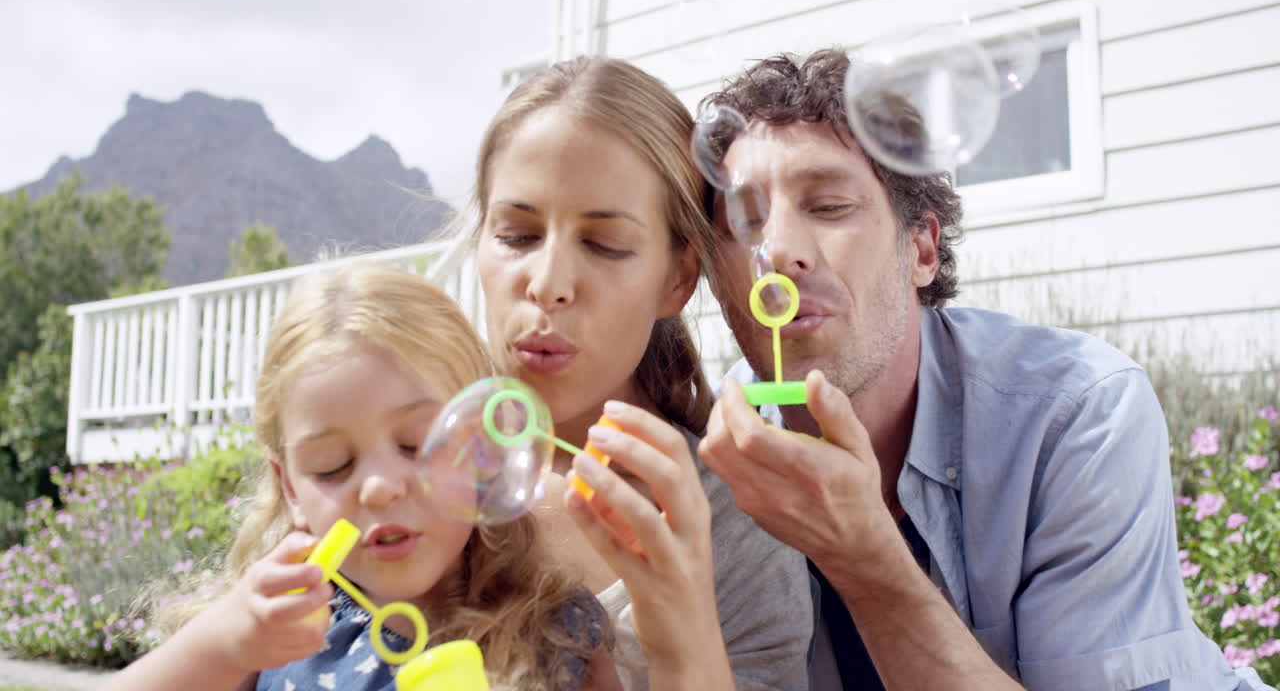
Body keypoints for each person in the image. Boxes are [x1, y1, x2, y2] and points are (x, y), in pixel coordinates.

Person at [694, 48, 1276, 691]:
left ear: (920, 249)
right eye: (741, 222)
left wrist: (863, 556)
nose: (777, 252)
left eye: (829, 206)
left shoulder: (1077, 409)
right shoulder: (719, 459)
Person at [106, 261, 619, 691]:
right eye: (333, 466)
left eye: (416, 445)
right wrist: (220, 644)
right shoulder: (273, 636)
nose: (378, 487)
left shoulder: (557, 633)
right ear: (291, 488)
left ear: (482, 449)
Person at [468, 56, 812, 690]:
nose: (547, 285)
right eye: (516, 234)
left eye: (604, 245)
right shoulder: (400, 462)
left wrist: (682, 631)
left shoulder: (738, 527)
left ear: (677, 280)